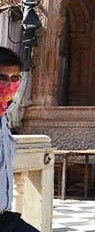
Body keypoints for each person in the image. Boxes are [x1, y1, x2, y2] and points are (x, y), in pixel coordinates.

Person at [0, 47, 39, 232]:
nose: (9, 84)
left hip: (5, 217)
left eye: (15, 78)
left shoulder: (4, 118)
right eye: (2, 77)